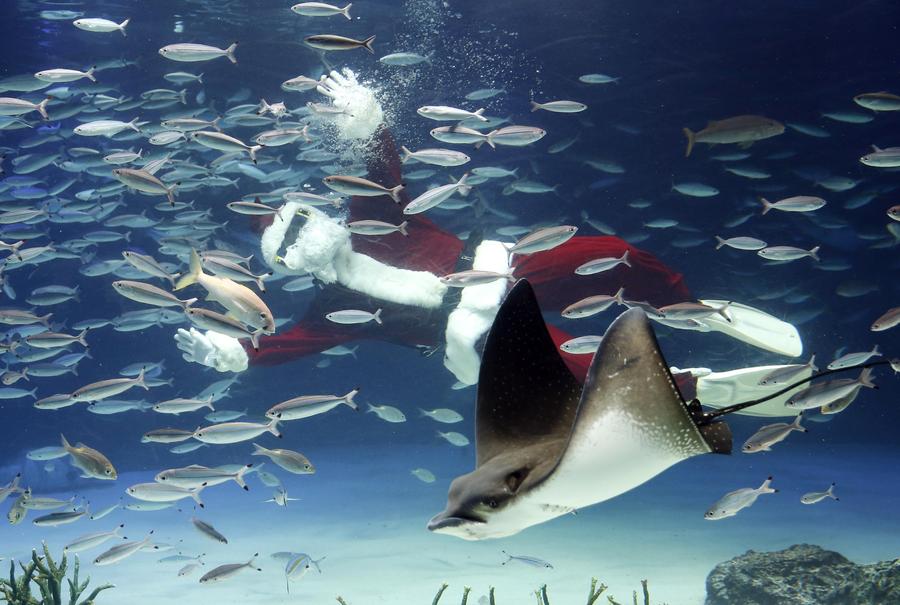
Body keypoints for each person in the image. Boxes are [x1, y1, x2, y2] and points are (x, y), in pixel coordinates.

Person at [175, 69, 803, 412]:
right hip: (483, 334)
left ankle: (693, 308)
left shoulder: (376, 219)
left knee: (612, 251)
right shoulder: (327, 311)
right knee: (577, 369)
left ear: (321, 217)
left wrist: (367, 121)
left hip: (508, 269)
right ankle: (696, 386)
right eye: (292, 243)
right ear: (287, 266)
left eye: (304, 223)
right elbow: (289, 344)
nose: (308, 239)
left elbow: (379, 174)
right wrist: (238, 354)